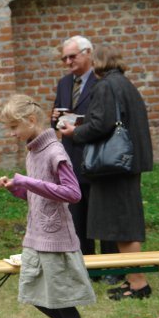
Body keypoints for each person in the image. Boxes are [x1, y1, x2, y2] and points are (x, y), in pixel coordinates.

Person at [0, 94, 95, 318]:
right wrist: (15, 187)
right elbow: (38, 196)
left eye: (13, 127)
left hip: (55, 239)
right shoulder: (32, 152)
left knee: (62, 301)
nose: (11, 134)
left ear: (31, 120)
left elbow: (73, 194)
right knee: (34, 295)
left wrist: (27, 181)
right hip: (35, 237)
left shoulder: (54, 151)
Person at [60, 45, 153, 301]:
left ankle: (138, 283)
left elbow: (102, 124)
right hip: (127, 164)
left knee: (123, 226)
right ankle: (134, 280)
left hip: (114, 167)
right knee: (126, 223)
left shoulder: (105, 86)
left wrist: (74, 132)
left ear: (98, 62)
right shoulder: (125, 84)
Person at [51, 36, 120, 265]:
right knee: (77, 216)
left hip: (98, 157)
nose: (68, 61)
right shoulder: (64, 83)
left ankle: (111, 266)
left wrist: (76, 126)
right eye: (64, 58)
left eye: (73, 56)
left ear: (88, 53)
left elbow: (103, 119)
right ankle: (86, 265)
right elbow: (59, 118)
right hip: (72, 159)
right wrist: (55, 119)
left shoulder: (103, 82)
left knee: (103, 215)